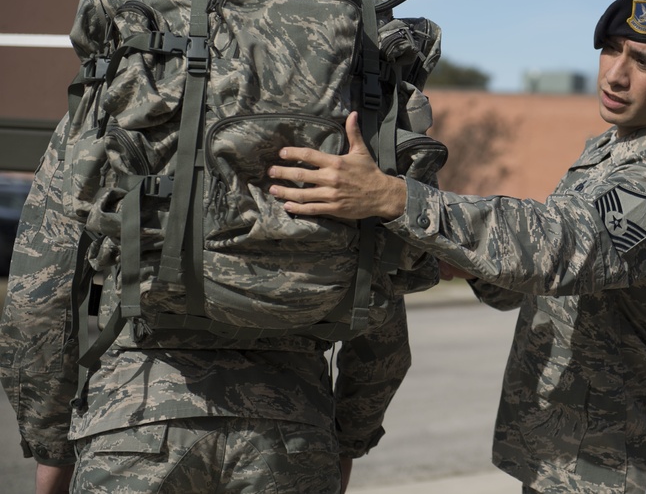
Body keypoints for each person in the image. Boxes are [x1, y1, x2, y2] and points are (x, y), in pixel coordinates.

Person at [267, 0, 646, 493]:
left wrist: (394, 198)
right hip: (561, 454)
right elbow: (529, 282)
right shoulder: (610, 150)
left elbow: (559, 247)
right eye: (611, 51)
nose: (616, 75)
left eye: (644, 63)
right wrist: (451, 253)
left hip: (608, 468)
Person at [0, 113, 432, 493]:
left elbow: (37, 304)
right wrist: (345, 443)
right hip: (293, 436)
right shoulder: (348, 125)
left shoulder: (115, 105)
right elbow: (380, 315)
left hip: (130, 427)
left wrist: (52, 449)